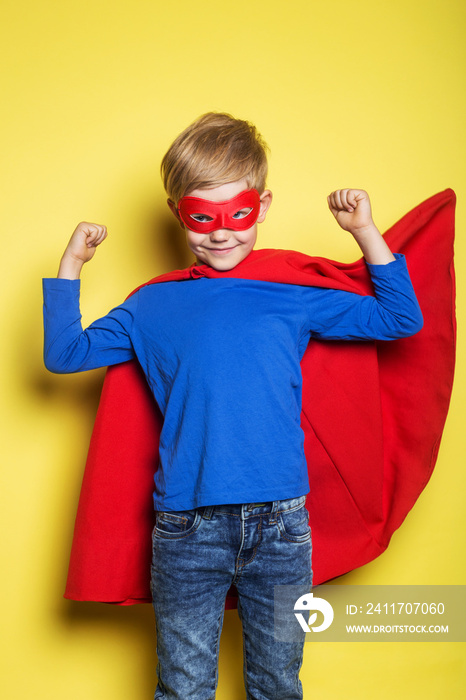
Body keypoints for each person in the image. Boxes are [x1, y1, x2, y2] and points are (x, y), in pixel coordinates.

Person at [43, 112, 423, 700]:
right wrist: (71, 267)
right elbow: (67, 354)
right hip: (187, 529)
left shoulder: (292, 294)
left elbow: (400, 320)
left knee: (277, 681)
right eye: (203, 217)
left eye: (237, 215)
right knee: (184, 684)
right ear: (178, 212)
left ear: (263, 205)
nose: (221, 234)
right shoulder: (152, 307)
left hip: (283, 528)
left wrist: (365, 232)